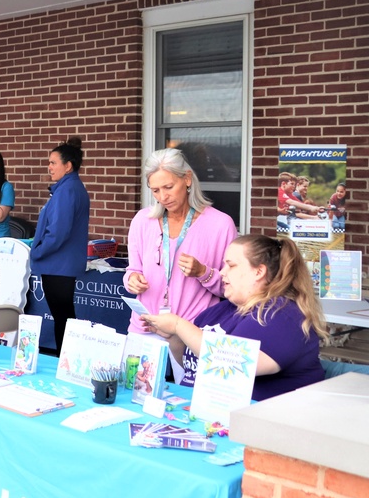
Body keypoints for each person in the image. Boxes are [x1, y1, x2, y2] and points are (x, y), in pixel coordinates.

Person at [141, 234, 327, 401]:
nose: (222, 272)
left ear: (258, 272)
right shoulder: (222, 309)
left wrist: (178, 325)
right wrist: (174, 338)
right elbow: (192, 365)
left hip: (260, 427)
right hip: (200, 415)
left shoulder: (282, 315)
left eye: (231, 265)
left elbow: (233, 364)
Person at [124, 148, 237, 343]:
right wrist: (132, 279)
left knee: (183, 376)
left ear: (187, 179)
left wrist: (203, 272)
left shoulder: (221, 225)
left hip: (193, 331)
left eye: (168, 187)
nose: (162, 197)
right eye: (155, 190)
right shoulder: (142, 220)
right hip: (145, 326)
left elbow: (231, 288)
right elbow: (132, 270)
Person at [29, 138, 90, 352]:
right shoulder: (70, 187)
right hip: (61, 264)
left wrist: (37, 252)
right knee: (64, 316)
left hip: (58, 265)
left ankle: (65, 363)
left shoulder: (67, 190)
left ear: (68, 166)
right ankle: (67, 362)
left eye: (53, 162)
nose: (49, 167)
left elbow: (57, 232)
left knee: (63, 318)